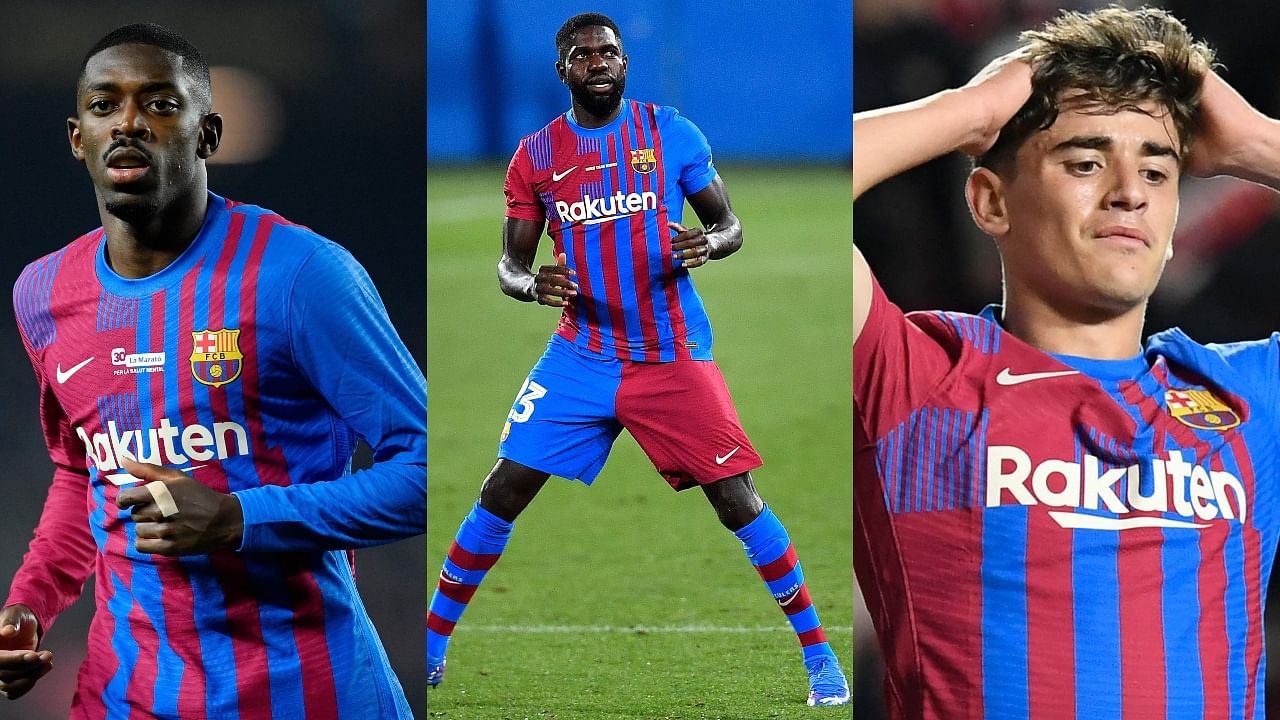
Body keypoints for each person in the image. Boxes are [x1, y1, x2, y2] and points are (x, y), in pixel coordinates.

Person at [854, 5, 1280, 718]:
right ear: (991, 202)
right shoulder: (916, 378)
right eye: (1085, 162)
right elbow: (729, 209)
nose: (1129, 192)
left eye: (1157, 170)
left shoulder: (1248, 398)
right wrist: (972, 111)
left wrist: (1256, 143)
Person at [0, 23, 426, 719]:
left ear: (208, 134)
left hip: (305, 692)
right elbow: (85, 473)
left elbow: (427, 472)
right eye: (105, 106)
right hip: (125, 694)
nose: (129, 122)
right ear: (79, 138)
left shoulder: (300, 274)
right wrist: (30, 600)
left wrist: (238, 518)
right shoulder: (42, 294)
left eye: (161, 104)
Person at [425, 11, 849, 708]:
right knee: (502, 489)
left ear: (625, 62)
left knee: (736, 501)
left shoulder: (670, 132)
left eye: (609, 51)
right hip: (581, 355)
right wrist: (533, 285)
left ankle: (821, 659)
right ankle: (434, 643)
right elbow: (509, 263)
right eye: (583, 54)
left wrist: (708, 244)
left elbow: (729, 223)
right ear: (562, 69)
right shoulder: (536, 156)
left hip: (670, 356)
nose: (598, 61)